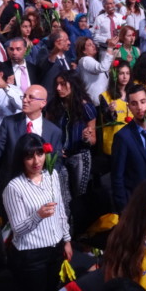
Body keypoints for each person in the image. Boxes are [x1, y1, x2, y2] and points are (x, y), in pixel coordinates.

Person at [3, 133, 72, 291]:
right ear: (21, 159)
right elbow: (17, 229)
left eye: (40, 154)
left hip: (55, 249)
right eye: (29, 156)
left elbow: (61, 211)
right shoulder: (14, 187)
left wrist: (66, 239)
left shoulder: (52, 175)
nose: (36, 161)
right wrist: (38, 215)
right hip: (31, 256)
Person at [110, 84, 146, 212]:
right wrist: (124, 209)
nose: (140, 107)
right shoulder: (122, 137)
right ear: (129, 106)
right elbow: (117, 177)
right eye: (134, 104)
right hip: (135, 203)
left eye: (142, 102)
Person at [47, 70, 96, 198]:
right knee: (62, 195)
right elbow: (47, 131)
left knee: (80, 196)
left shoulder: (86, 107)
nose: (58, 88)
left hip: (80, 156)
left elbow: (93, 140)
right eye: (57, 84)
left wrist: (87, 137)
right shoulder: (53, 105)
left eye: (63, 84)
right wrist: (55, 149)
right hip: (59, 156)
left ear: (73, 84)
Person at [99, 59, 133, 157]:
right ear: (115, 75)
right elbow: (106, 120)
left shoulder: (133, 94)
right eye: (121, 73)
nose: (125, 76)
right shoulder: (106, 96)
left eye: (127, 73)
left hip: (132, 142)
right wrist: (111, 111)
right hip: (114, 144)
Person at [76, 36, 117, 107]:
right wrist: (110, 47)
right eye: (89, 45)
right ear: (83, 51)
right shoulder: (85, 60)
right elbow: (103, 68)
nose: (93, 46)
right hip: (95, 103)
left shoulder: (92, 60)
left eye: (93, 44)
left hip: (103, 100)